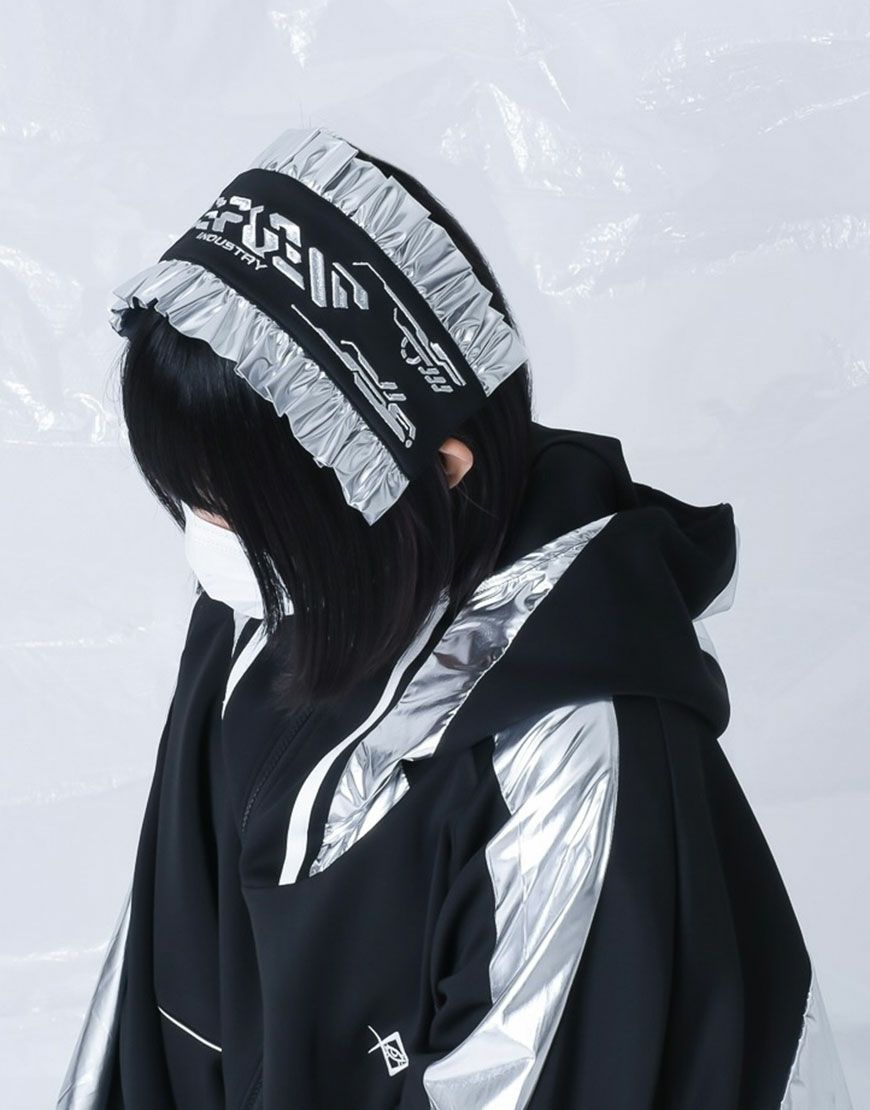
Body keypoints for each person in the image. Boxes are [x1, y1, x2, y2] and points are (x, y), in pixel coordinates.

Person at [56, 125, 852, 1109]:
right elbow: (165, 976)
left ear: (432, 470)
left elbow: (552, 1074)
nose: (204, 541)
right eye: (191, 499)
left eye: (233, 508)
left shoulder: (568, 748)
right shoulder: (267, 599)